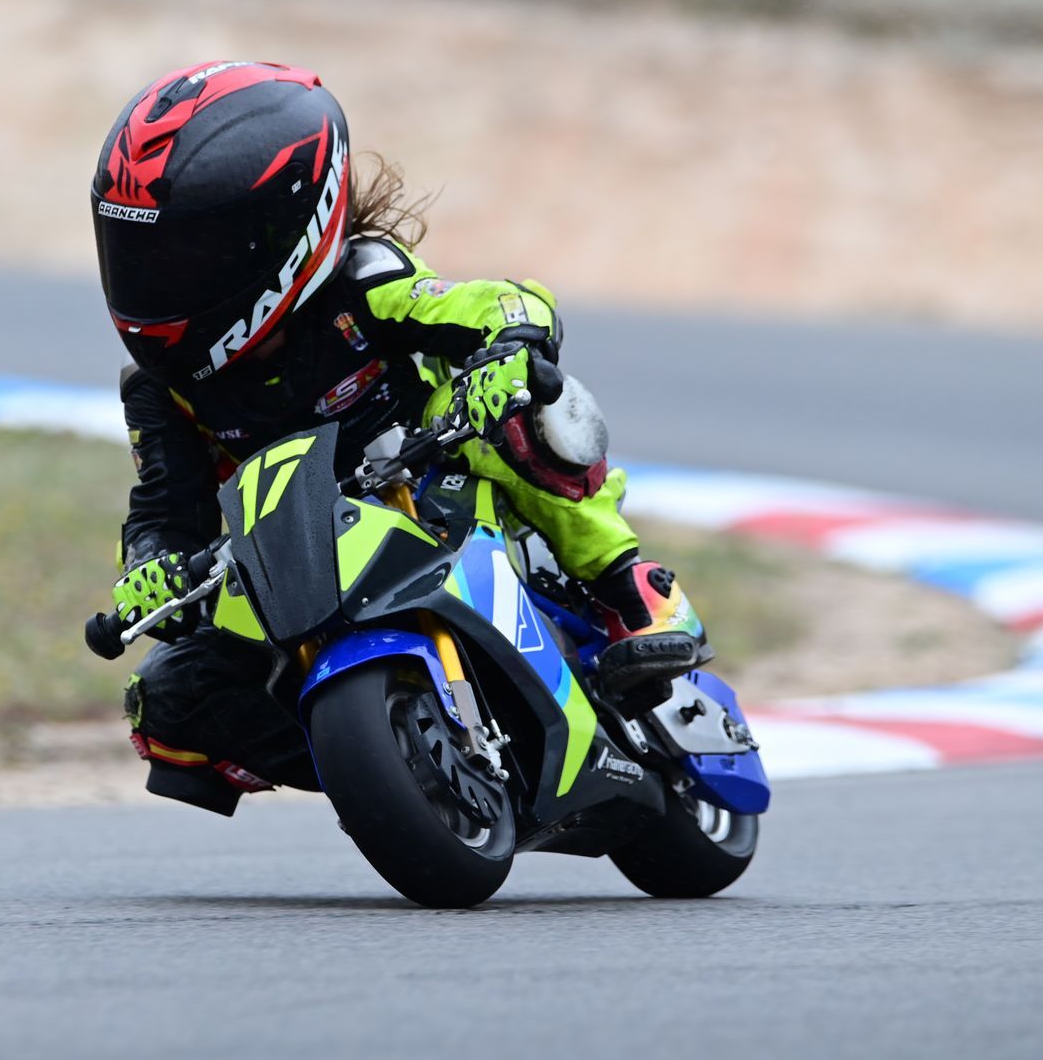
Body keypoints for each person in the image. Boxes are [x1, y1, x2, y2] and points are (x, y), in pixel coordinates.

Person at [92, 60, 710, 815]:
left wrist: (509, 348)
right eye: (140, 258)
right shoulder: (161, 388)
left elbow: (503, 304)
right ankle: (386, 756)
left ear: (279, 231)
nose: (157, 284)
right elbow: (163, 506)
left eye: (186, 258)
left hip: (435, 474)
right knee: (164, 702)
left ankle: (627, 588)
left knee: (523, 409)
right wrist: (151, 568)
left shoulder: (365, 279)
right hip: (297, 544)